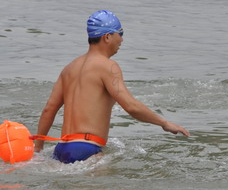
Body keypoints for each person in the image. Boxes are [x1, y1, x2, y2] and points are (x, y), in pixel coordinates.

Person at [34, 10, 189, 164]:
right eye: (120, 33)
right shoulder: (108, 66)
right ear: (107, 37)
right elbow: (131, 106)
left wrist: (38, 148)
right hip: (87, 150)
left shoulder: (69, 69)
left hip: (61, 149)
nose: (122, 39)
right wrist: (164, 123)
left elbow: (49, 109)